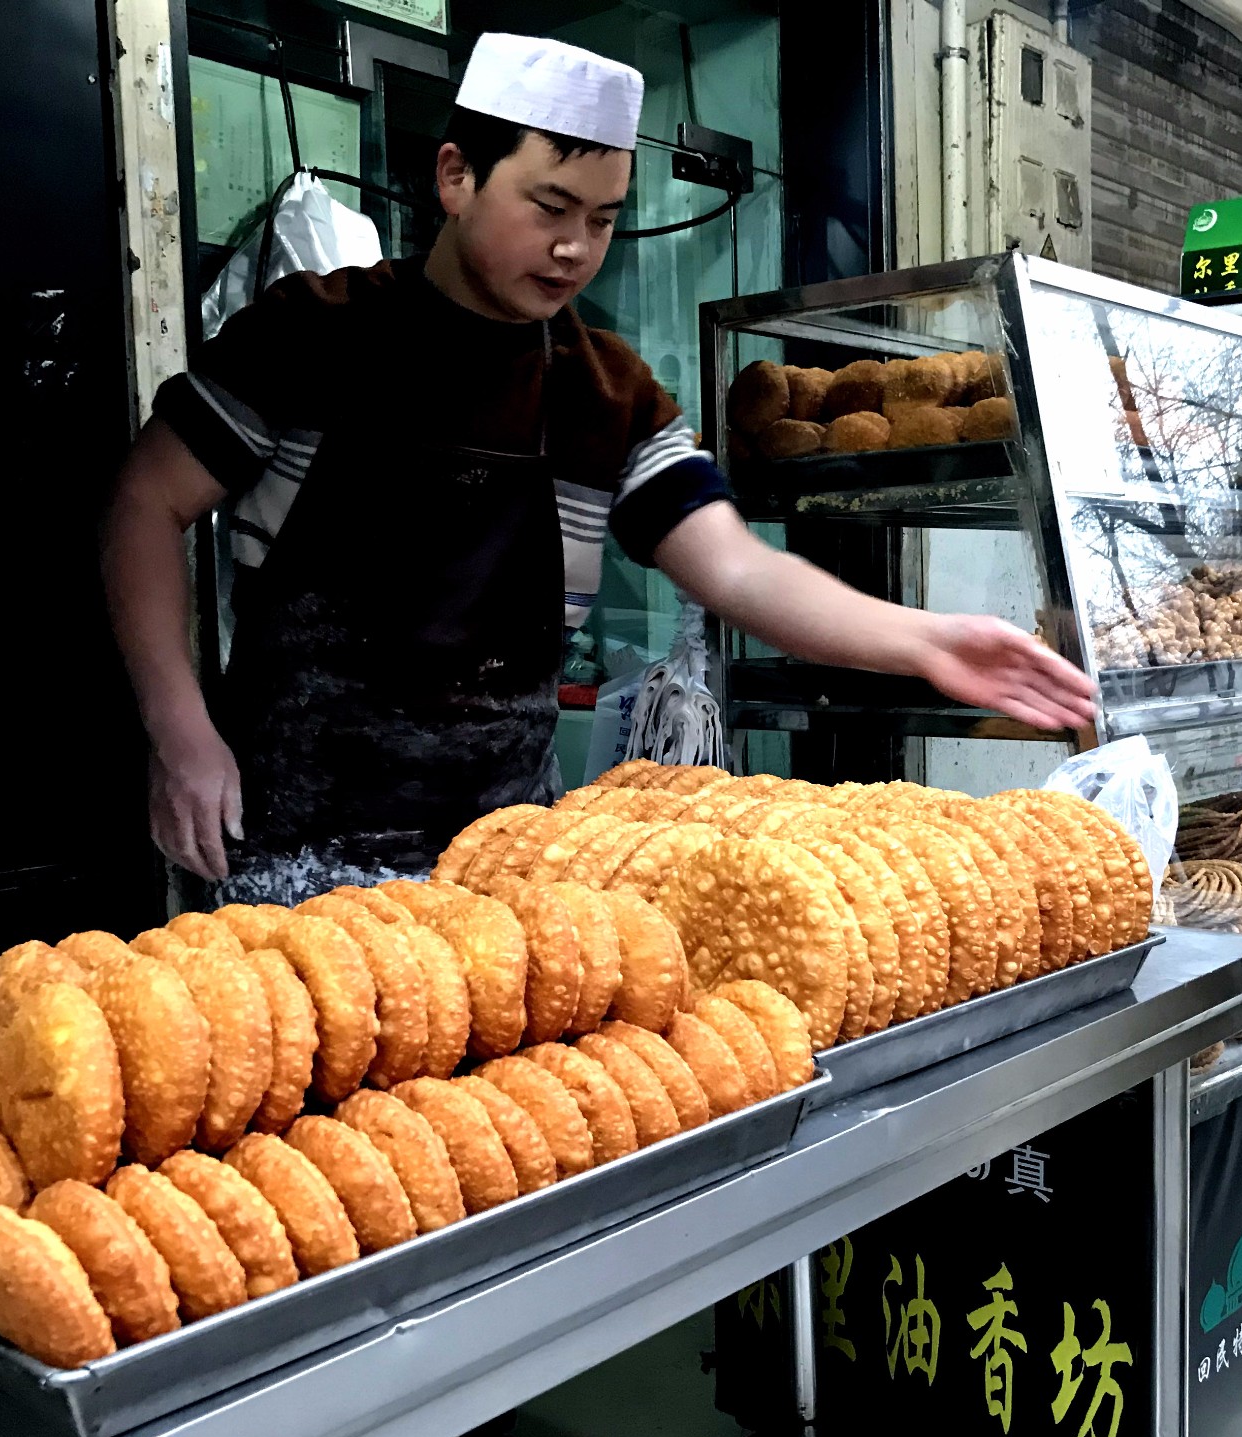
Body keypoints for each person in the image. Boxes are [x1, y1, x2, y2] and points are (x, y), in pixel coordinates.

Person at [102, 32, 1096, 903]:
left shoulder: (607, 393)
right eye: (549, 205)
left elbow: (737, 568)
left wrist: (924, 640)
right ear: (456, 176)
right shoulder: (314, 337)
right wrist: (179, 731)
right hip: (288, 849)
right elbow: (144, 507)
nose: (576, 246)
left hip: (500, 859)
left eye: (606, 216)